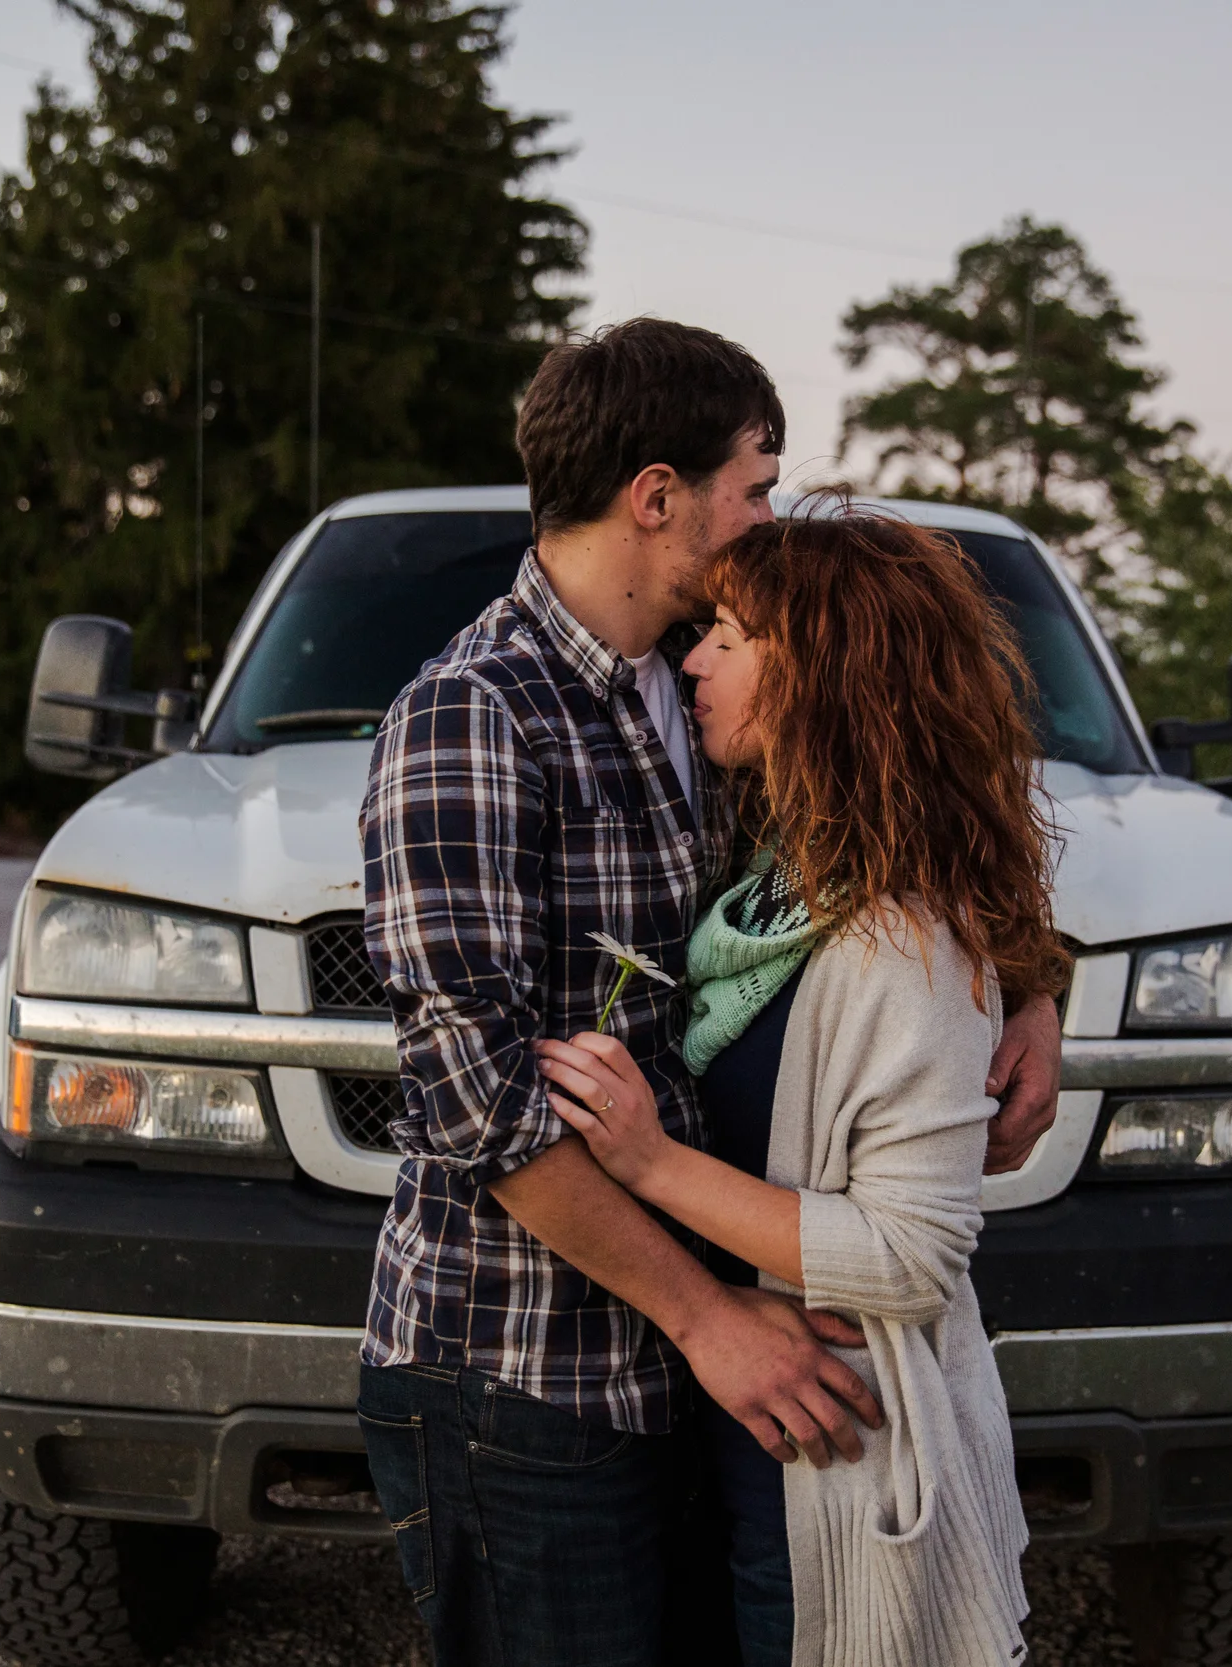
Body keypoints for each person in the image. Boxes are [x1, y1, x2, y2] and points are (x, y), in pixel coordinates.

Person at [357, 318, 1062, 1667]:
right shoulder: (474, 711)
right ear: (659, 494)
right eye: (756, 484)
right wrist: (710, 1318)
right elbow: (472, 1100)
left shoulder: (695, 686)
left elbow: (897, 801)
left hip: (703, 1365)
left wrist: (1028, 984)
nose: (767, 516)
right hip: (527, 1367)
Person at [534, 506, 1068, 1666]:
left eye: (730, 634)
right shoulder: (767, 873)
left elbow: (913, 1254)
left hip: (830, 1462)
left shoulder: (898, 938)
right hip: (727, 1436)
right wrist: (1041, 983)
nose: (693, 660)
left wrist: (645, 1157)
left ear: (823, 673)